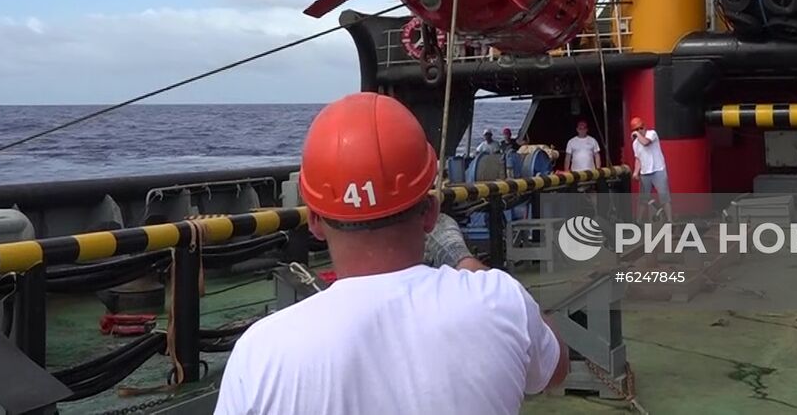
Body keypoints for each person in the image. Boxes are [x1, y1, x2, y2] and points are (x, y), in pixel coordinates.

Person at [215, 93, 567, 414]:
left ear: (316, 223)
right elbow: (555, 367)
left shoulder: (259, 353)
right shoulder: (499, 299)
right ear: (430, 212)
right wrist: (463, 258)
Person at [629, 117, 670, 220]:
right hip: (645, 172)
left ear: (645, 126)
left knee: (664, 197)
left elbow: (646, 143)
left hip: (658, 170)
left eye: (641, 128)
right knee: (643, 199)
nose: (639, 131)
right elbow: (638, 158)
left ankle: (670, 221)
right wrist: (635, 172)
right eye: (636, 129)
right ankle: (639, 222)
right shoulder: (635, 144)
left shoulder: (652, 134)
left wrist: (637, 135)